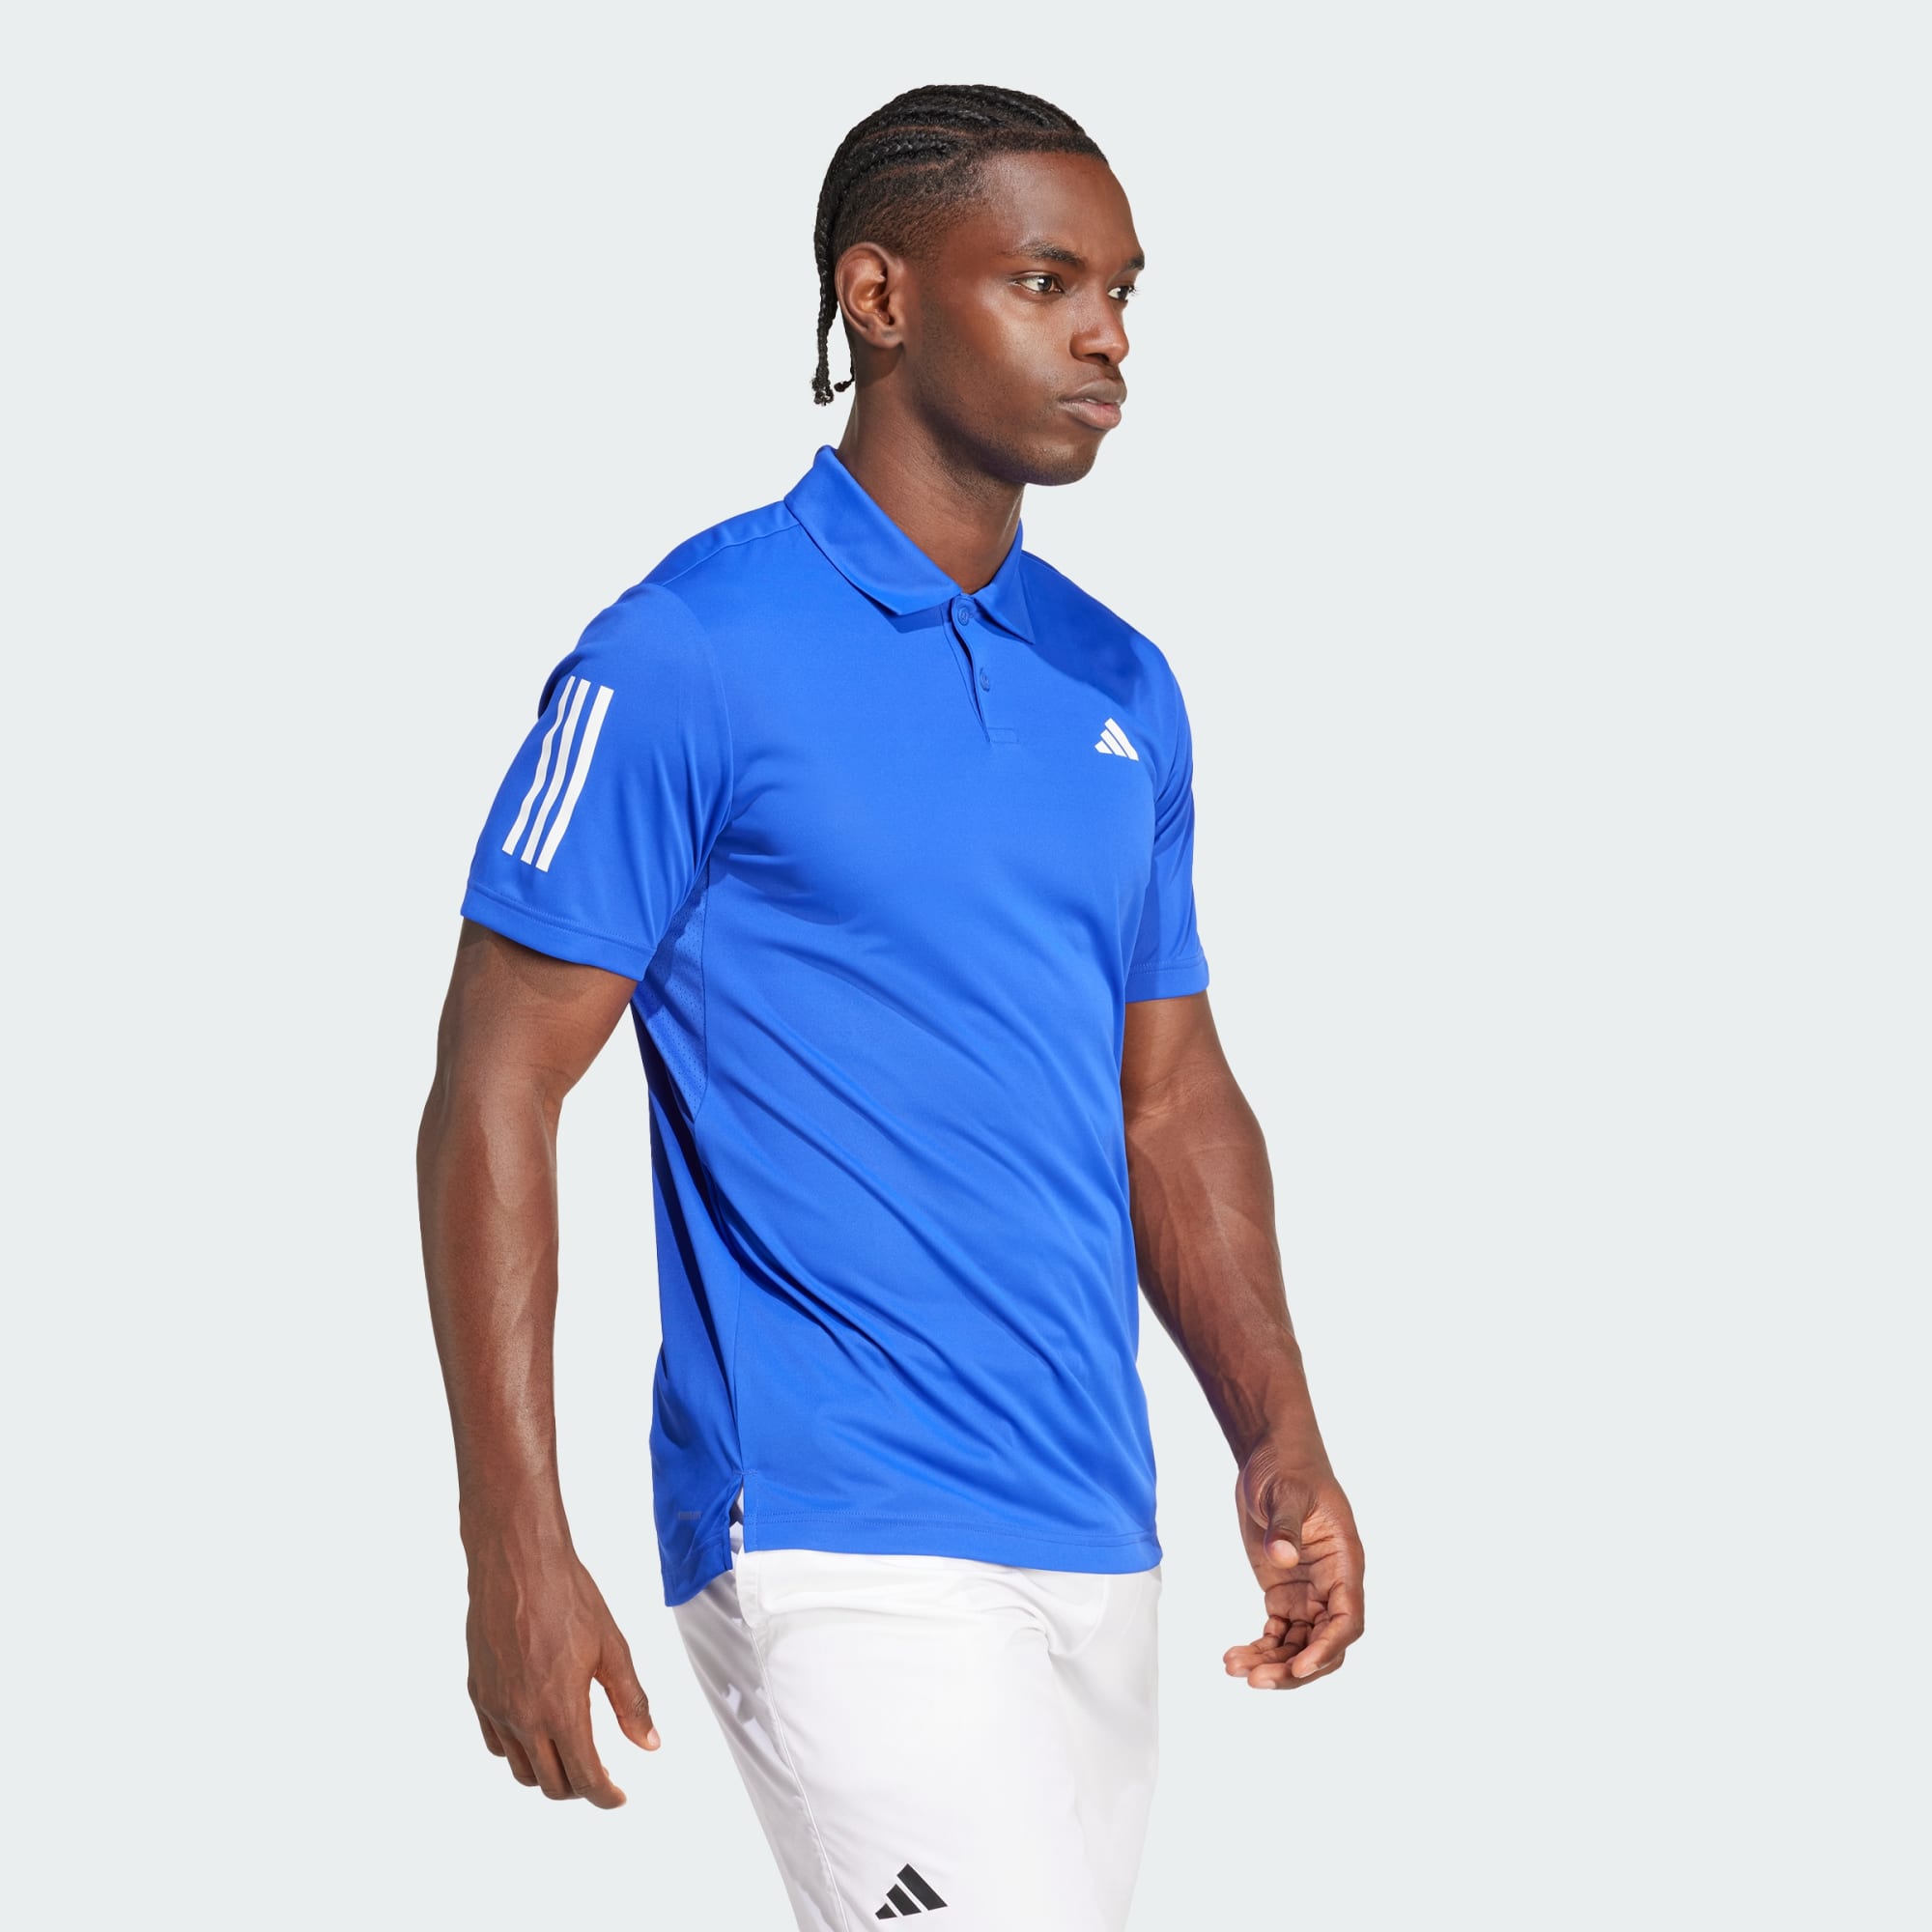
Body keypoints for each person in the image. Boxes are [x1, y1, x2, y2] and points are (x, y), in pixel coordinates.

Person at [418, 81, 1364, 1932]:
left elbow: (1168, 1096)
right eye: (1044, 280)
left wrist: (1277, 1428)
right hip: (831, 1528)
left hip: (1090, 1522)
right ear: (880, 297)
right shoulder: (687, 652)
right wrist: (511, 1539)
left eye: (1122, 290)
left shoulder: (1122, 684)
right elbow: (494, 1088)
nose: (1105, 334)